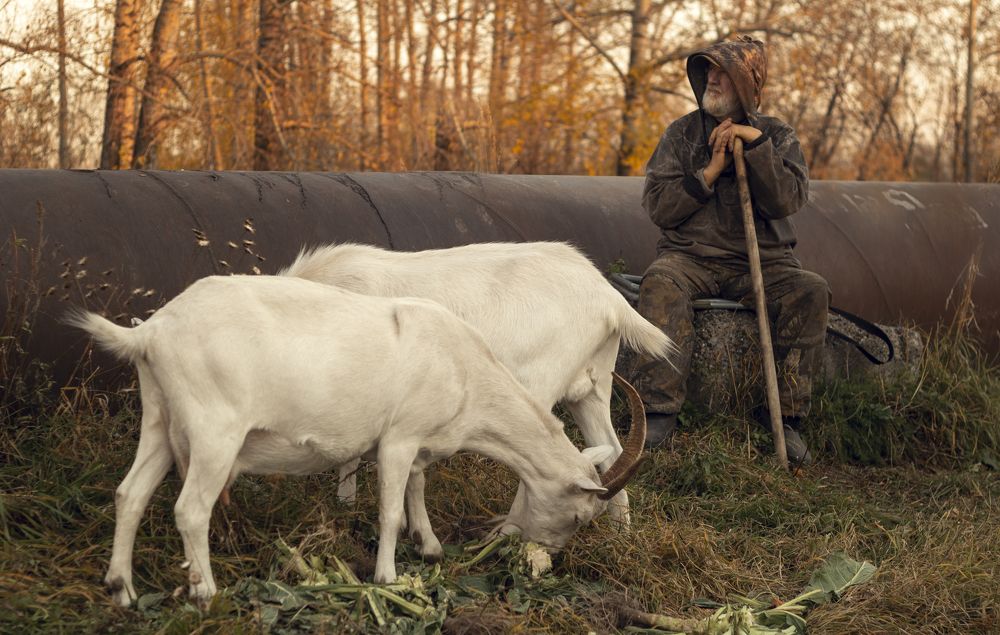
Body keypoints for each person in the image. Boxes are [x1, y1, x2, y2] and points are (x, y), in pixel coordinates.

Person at [633, 35, 829, 464]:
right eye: (709, 69)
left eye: (723, 72)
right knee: (660, 283)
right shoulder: (682, 134)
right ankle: (658, 412)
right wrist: (709, 172)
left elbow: (787, 200)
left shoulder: (776, 135)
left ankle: (787, 420)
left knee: (810, 289)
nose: (712, 77)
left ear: (746, 83)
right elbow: (658, 206)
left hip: (763, 260)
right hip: (691, 258)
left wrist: (755, 146)